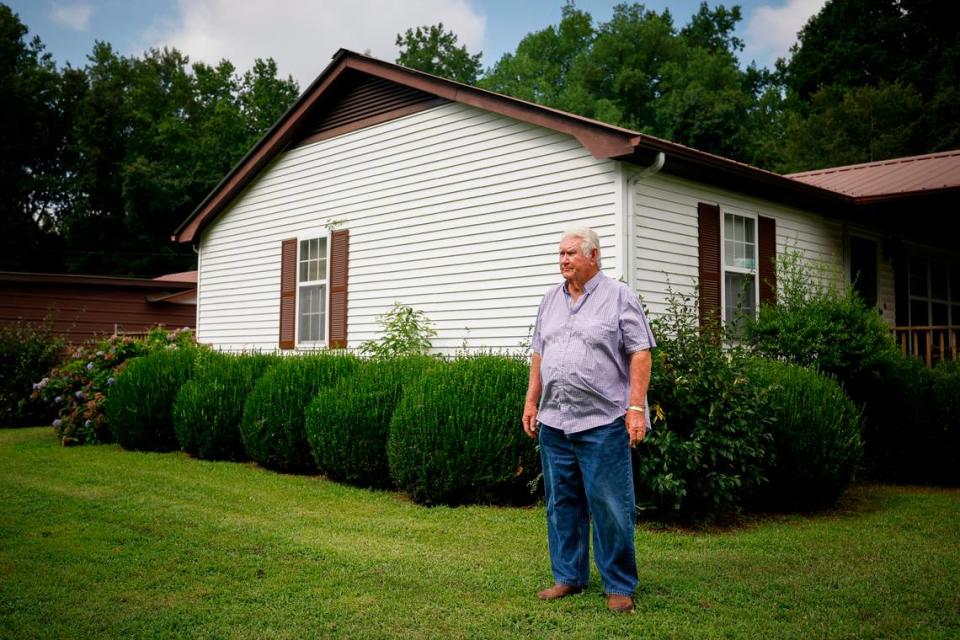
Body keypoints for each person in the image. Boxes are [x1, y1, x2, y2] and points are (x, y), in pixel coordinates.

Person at [522, 226, 655, 614]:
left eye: (570, 254)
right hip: (555, 422)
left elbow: (641, 353)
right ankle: (569, 577)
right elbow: (539, 355)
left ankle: (618, 584)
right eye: (560, 254)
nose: (563, 260)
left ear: (593, 256)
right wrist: (532, 403)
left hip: (603, 422)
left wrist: (636, 408)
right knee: (561, 503)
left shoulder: (619, 297)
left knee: (611, 505)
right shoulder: (550, 299)